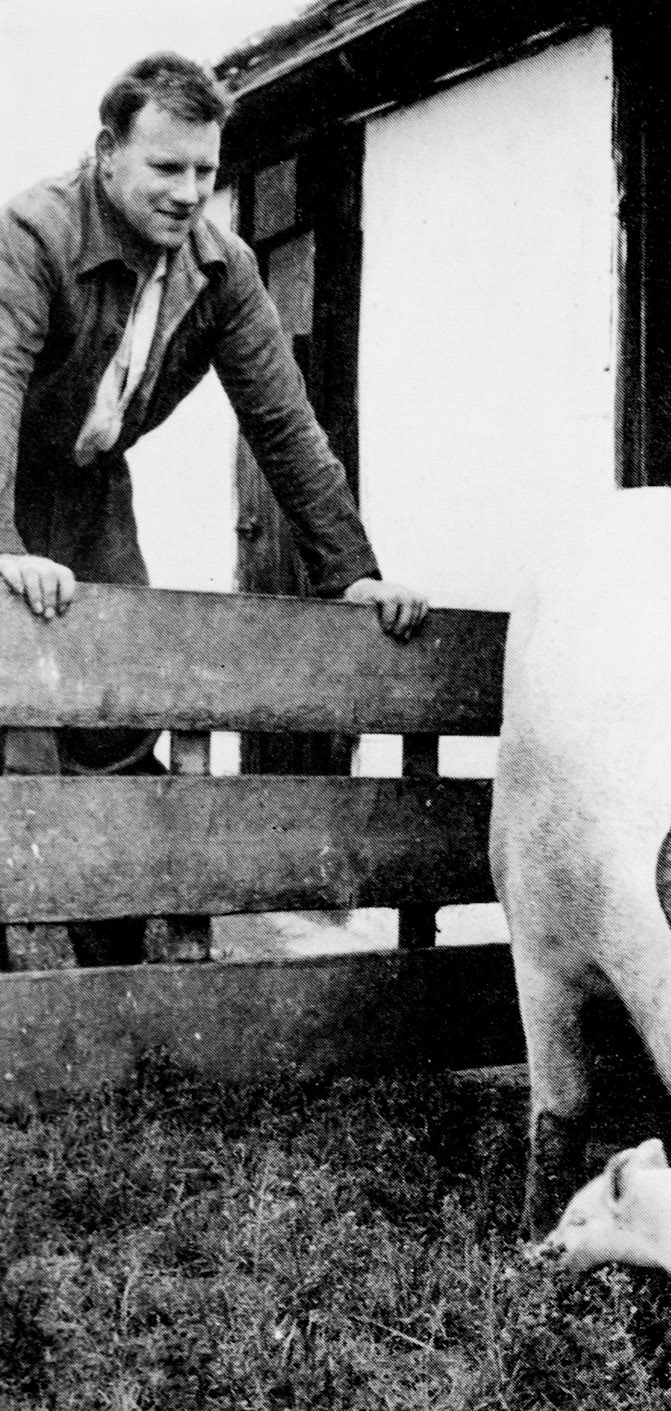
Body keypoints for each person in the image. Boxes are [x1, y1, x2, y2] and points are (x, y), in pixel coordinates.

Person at [0, 50, 428, 966]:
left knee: (118, 706)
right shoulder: (34, 232)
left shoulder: (222, 269)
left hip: (87, 490)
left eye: (206, 170)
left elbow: (284, 424)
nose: (191, 191)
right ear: (108, 153)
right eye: (166, 167)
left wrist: (351, 573)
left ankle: (106, 973)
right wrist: (1, 542)